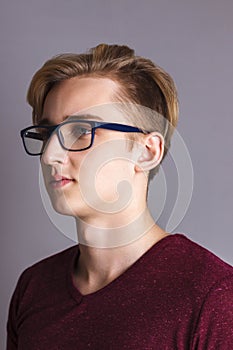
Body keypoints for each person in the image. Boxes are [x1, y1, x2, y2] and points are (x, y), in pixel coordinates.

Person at [7, 44, 233, 349]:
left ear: (147, 151)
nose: (50, 155)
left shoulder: (214, 296)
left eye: (80, 131)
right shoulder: (33, 288)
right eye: (47, 134)